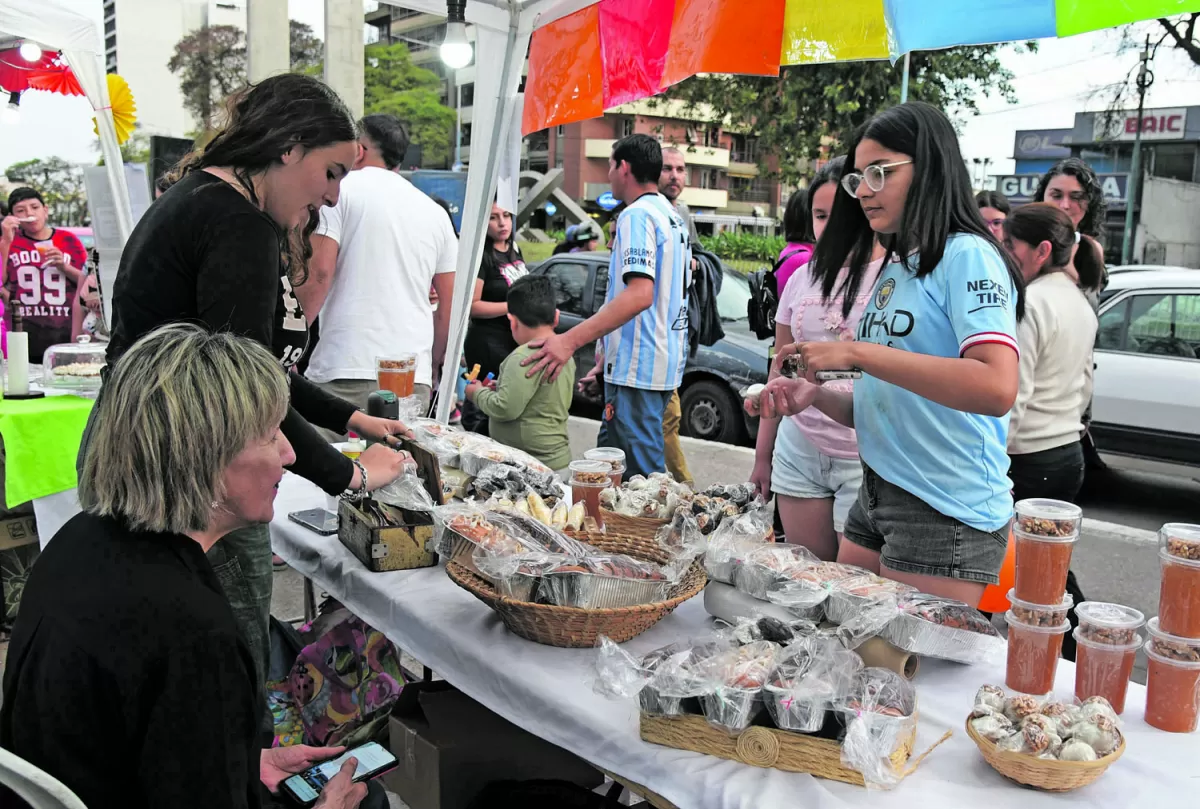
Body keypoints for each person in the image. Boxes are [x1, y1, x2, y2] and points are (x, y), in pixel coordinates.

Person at [88, 74, 414, 694]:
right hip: (188, 473)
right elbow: (248, 389)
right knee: (226, 666)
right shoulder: (236, 222)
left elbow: (264, 366)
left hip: (155, 458)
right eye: (332, 172)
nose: (332, 196)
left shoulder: (207, 202)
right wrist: (353, 476)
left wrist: (351, 420)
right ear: (289, 148)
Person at [1, 324, 367, 809]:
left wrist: (234, 758)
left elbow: (122, 734)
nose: (289, 453)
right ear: (206, 459)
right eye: (269, 435)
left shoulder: (80, 539)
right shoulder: (193, 631)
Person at [749, 102, 1025, 607]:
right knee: (835, 640)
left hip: (943, 507)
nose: (866, 191)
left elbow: (996, 386)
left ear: (931, 168)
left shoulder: (967, 255)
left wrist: (855, 353)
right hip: (878, 492)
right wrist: (814, 397)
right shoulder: (896, 267)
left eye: (880, 173)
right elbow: (885, 407)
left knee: (900, 675)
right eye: (859, 178)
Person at [525, 134, 689, 480]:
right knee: (604, 474)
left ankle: (646, 536)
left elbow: (639, 295)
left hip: (639, 371)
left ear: (623, 167)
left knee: (641, 484)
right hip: (649, 366)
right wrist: (605, 363)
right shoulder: (671, 215)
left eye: (610, 167)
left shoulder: (637, 216)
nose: (609, 175)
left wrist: (569, 341)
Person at [751, 157, 887, 561]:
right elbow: (781, 370)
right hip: (800, 451)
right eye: (820, 215)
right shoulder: (800, 278)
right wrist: (763, 457)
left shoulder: (894, 277)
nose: (829, 227)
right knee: (806, 583)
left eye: (839, 214)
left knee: (854, 594)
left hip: (865, 456)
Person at [302, 113, 458, 416]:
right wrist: (433, 366)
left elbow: (319, 273)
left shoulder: (338, 192)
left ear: (358, 150)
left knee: (335, 460)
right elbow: (451, 307)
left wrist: (290, 344)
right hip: (413, 379)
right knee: (398, 462)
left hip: (346, 367)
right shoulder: (435, 213)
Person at [1004, 203, 1102, 660]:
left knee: (1037, 573)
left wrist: (994, 455)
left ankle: (1078, 647)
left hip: (1030, 457)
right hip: (1067, 452)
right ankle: (1079, 645)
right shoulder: (1079, 301)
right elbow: (1085, 383)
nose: (1005, 252)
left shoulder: (1034, 301)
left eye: (1010, 244)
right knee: (1048, 568)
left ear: (1042, 250)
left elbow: (1014, 397)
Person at [463, 275, 575, 470]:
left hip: (529, 464)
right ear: (556, 317)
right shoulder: (564, 354)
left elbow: (504, 408)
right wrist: (501, 386)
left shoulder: (522, 357)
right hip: (556, 458)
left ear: (512, 321)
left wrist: (477, 394)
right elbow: (540, 393)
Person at [462, 203, 529, 433]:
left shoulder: (514, 248)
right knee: (485, 408)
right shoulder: (482, 255)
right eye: (493, 217)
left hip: (513, 340)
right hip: (487, 343)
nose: (502, 223)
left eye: (506, 215)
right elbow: (472, 306)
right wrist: (511, 306)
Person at [1, 187, 88, 358]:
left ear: (45, 211)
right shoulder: (10, 242)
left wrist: (64, 267)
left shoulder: (68, 240)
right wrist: (5, 241)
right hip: (21, 333)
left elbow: (87, 284)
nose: (29, 213)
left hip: (64, 330)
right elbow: (1, 280)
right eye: (21, 210)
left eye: (34, 207)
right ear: (13, 217)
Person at [657, 145, 698, 484]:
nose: (674, 175)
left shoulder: (683, 213)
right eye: (668, 168)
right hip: (651, 337)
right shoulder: (644, 211)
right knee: (665, 420)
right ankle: (685, 488)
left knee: (668, 420)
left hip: (676, 335)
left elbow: (695, 258)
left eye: (680, 169)